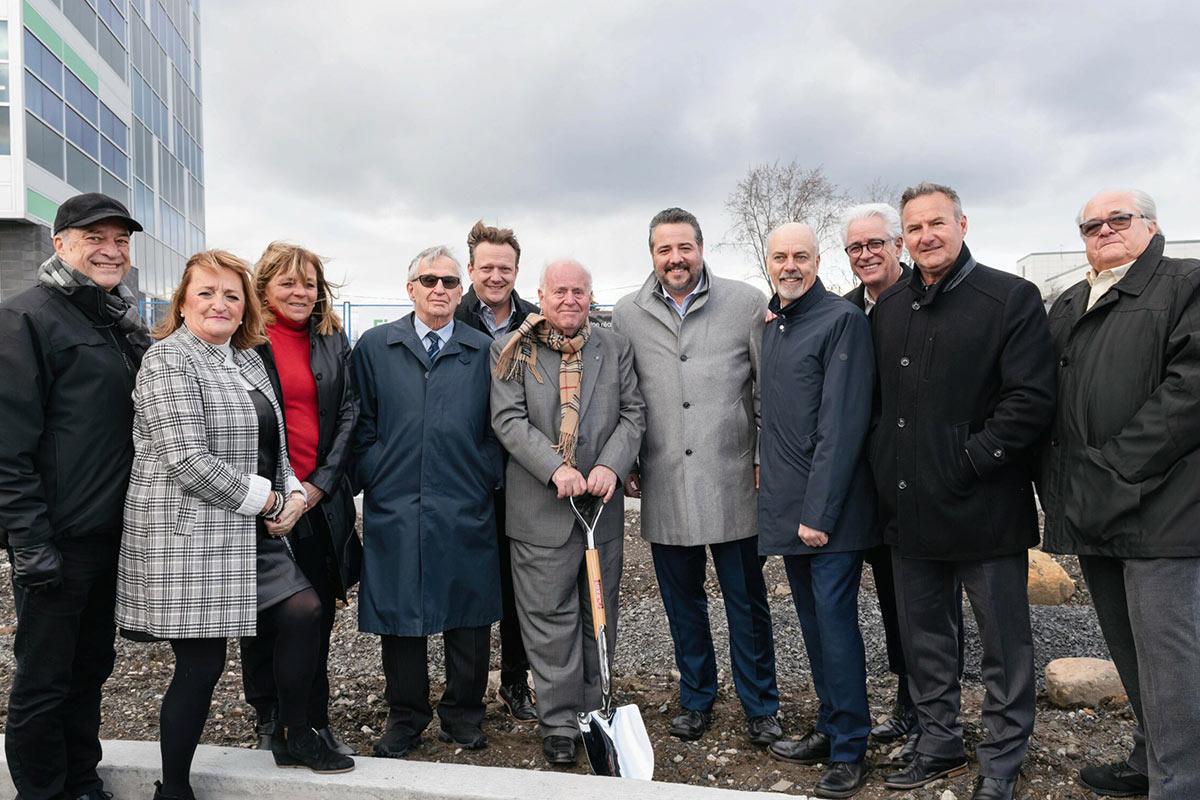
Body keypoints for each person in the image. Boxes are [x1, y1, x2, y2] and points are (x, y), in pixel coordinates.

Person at [116, 250, 352, 800]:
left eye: (231, 295)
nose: (219, 304)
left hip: (244, 527)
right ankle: (172, 786)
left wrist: (292, 491)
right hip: (189, 533)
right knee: (202, 666)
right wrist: (271, 502)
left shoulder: (245, 358)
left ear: (245, 305)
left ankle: (295, 733)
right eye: (206, 293)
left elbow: (274, 445)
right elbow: (187, 461)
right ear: (183, 301)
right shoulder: (168, 360)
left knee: (305, 609)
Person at [871, 183, 1055, 800]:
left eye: (937, 224)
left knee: (1004, 643)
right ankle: (940, 741)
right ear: (904, 238)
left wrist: (969, 459)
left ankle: (1002, 756)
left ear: (962, 223)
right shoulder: (891, 306)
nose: (926, 236)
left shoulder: (1009, 297)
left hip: (984, 504)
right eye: (914, 228)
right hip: (910, 505)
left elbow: (1030, 399)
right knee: (926, 640)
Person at [1040, 189, 1200, 800]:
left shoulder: (1184, 283)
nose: (1103, 230)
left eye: (1118, 219)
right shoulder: (1073, 301)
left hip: (1161, 507)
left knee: (1170, 656)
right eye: (1090, 224)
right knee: (1129, 649)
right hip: (1093, 505)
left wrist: (1118, 466)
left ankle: (1181, 783)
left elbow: (1189, 391)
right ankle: (1150, 758)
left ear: (1152, 225)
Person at [0, 193, 150, 800]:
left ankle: (81, 781)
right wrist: (30, 543)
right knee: (44, 678)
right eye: (95, 238)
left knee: (90, 669)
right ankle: (42, 790)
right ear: (61, 244)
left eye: (120, 240)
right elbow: (7, 446)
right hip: (56, 540)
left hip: (109, 534)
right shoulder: (26, 318)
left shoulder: (115, 321)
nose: (110, 250)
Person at [612, 207, 780, 747]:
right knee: (682, 603)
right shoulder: (627, 314)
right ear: (652, 255)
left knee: (746, 601)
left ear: (701, 248)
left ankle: (760, 705)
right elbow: (624, 395)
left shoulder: (746, 303)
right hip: (663, 480)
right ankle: (697, 697)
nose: (675, 259)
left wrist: (761, 455)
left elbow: (763, 389)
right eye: (664, 249)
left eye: (684, 247)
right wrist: (630, 459)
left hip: (732, 478)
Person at [491, 258, 645, 766]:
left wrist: (611, 464)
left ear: (590, 295)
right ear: (540, 294)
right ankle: (558, 721)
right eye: (559, 291)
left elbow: (633, 413)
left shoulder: (613, 344)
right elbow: (509, 421)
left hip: (600, 507)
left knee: (598, 615)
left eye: (579, 291)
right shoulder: (514, 348)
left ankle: (593, 710)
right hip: (541, 508)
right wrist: (555, 468)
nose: (569, 300)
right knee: (548, 618)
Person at [351, 245, 502, 759]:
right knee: (400, 613)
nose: (440, 289)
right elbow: (360, 423)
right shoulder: (375, 347)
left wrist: (483, 474)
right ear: (410, 287)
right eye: (429, 280)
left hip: (464, 501)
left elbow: (497, 427)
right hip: (396, 502)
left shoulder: (482, 350)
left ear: (462, 293)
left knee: (468, 612)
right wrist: (376, 470)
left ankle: (463, 714)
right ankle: (406, 716)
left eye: (450, 282)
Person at [839, 202, 965, 767]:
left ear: (898, 247)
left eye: (876, 244)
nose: (866, 255)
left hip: (915, 480)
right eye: (855, 248)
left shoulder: (923, 300)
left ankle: (937, 713)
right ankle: (909, 702)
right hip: (862, 484)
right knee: (893, 603)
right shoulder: (845, 311)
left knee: (925, 606)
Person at [757, 223, 876, 799]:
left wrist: (820, 514)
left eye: (801, 256)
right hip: (789, 510)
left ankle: (852, 747)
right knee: (812, 626)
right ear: (768, 262)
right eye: (780, 256)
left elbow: (841, 426)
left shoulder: (841, 321)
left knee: (835, 627)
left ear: (817, 260)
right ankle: (831, 727)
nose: (791, 265)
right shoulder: (777, 325)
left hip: (830, 515)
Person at [241, 242, 361, 757]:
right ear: (265, 285)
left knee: (317, 613)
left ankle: (313, 715)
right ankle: (270, 713)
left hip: (318, 498)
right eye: (288, 282)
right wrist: (274, 495)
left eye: (308, 283)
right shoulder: (244, 340)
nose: (299, 292)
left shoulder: (332, 338)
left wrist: (318, 486)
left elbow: (350, 412)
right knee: (266, 613)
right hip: (262, 500)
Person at [453, 220, 539, 722]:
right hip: (467, 470)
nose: (495, 275)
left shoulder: (535, 320)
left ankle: (515, 681)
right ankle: (465, 689)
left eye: (504, 268)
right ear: (470, 269)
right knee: (470, 580)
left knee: (517, 583)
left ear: (516, 271)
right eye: (486, 267)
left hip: (522, 472)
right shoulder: (452, 317)